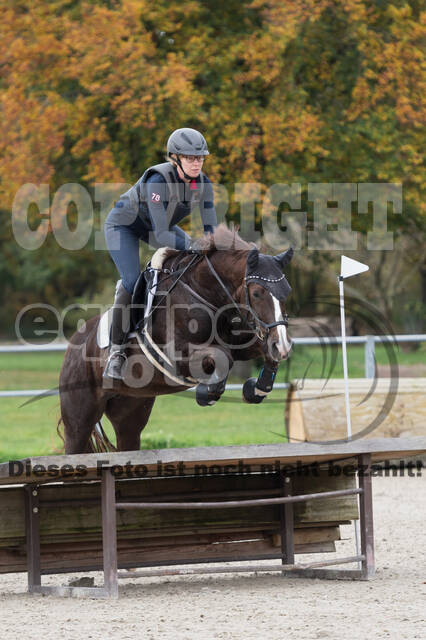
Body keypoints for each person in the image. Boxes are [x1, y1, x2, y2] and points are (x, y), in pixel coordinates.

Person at [103, 127, 217, 380]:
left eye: (200, 158)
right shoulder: (158, 181)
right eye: (190, 158)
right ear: (175, 158)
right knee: (132, 281)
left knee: (193, 262)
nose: (196, 163)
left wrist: (219, 250)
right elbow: (163, 235)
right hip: (124, 226)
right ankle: (117, 351)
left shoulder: (203, 184)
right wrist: (194, 245)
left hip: (157, 227)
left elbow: (213, 232)